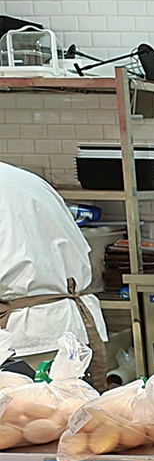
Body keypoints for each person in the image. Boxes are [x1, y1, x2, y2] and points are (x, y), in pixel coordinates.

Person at [0, 162, 108, 387]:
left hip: (24, 338)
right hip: (70, 325)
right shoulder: (25, 179)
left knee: (31, 409)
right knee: (74, 406)